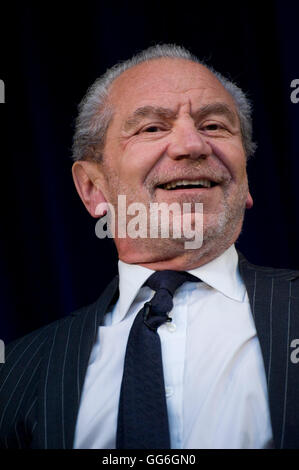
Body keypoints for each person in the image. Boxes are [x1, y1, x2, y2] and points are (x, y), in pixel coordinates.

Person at [0, 44, 299, 450]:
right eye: (152, 128)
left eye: (214, 125)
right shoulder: (19, 370)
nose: (192, 145)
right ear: (92, 188)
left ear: (245, 181)